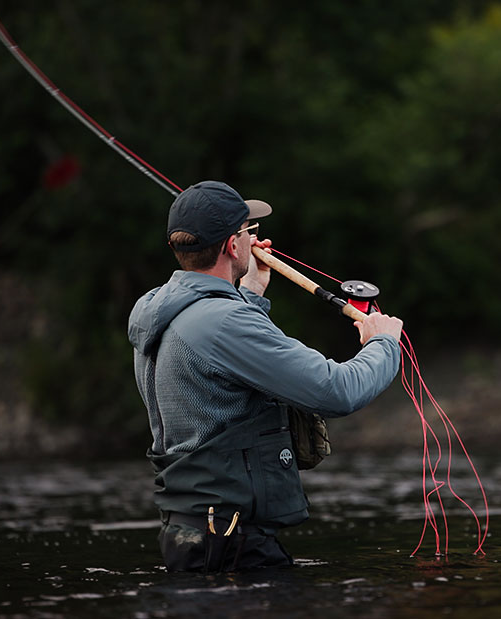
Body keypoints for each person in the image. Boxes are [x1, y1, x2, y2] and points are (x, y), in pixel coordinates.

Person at [127, 180, 403, 572]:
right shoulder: (226, 322)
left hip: (189, 533)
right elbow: (337, 390)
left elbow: (218, 361)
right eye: (247, 231)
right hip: (233, 544)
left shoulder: (156, 309)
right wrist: (384, 343)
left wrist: (251, 291)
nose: (255, 240)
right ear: (231, 246)